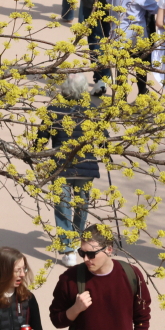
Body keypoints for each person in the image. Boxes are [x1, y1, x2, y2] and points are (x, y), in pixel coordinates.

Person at [38, 75, 107, 267]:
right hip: (86, 166)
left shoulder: (53, 109)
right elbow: (103, 138)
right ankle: (75, 238)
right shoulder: (91, 110)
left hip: (62, 167)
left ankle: (68, 248)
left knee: (63, 207)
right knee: (81, 204)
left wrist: (36, 148)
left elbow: (42, 138)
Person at [107, 0, 159, 96]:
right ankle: (142, 93)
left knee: (121, 69)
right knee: (140, 65)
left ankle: (121, 101)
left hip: (118, 33)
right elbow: (155, 8)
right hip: (137, 35)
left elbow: (109, 2)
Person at [80, 0, 111, 95]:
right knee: (109, 37)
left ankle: (101, 78)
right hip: (113, 1)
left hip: (93, 2)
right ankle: (106, 75)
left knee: (96, 40)